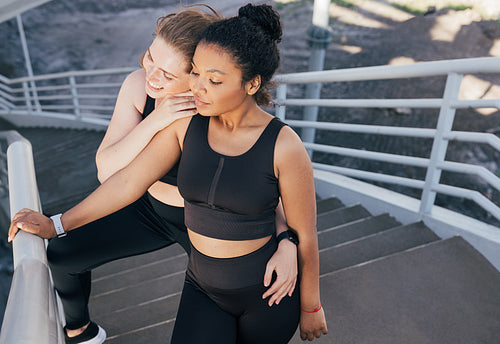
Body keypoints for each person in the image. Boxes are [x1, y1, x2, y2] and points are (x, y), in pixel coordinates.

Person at [9, 3, 327, 343]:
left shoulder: (254, 129)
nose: (153, 78)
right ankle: (81, 330)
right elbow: (122, 179)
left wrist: (289, 247)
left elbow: (265, 197)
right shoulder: (173, 113)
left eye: (174, 74)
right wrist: (57, 224)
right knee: (65, 254)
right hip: (172, 240)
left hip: (235, 259)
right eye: (151, 59)